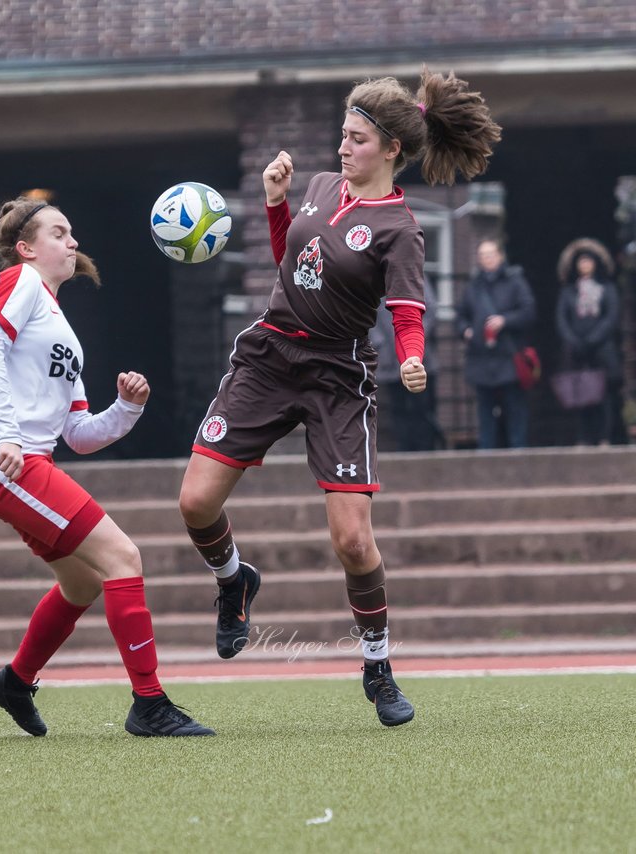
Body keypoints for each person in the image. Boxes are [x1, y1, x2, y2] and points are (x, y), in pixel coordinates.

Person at [178, 69, 501, 728]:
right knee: (194, 502)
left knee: (353, 542)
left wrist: (412, 358)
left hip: (337, 375)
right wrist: (275, 204)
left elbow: (407, 311)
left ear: (390, 150)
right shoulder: (323, 186)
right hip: (269, 357)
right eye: (342, 135)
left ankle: (378, 666)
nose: (342, 149)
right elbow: (295, 264)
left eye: (355, 140)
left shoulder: (400, 228)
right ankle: (234, 580)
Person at [0, 196, 214, 738]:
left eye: (72, 232)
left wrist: (127, 408)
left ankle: (15, 680)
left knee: (81, 584)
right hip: (0, 460)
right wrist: (7, 435)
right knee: (123, 557)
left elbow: (78, 435)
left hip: (23, 459)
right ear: (26, 248)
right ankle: (149, 704)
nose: (72, 241)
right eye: (58, 233)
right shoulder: (19, 280)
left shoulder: (63, 330)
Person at [456, 240, 536, 449]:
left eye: (490, 254)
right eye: (482, 255)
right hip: (481, 356)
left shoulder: (515, 281)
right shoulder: (474, 286)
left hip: (508, 356)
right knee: (484, 410)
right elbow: (461, 315)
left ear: (500, 256)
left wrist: (505, 320)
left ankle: (518, 451)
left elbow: (528, 312)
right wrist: (466, 330)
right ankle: (487, 452)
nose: (487, 259)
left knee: (514, 408)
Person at [555, 238, 626, 446]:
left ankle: (605, 437)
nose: (585, 265)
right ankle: (584, 437)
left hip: (601, 351)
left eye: (588, 261)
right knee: (581, 397)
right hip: (577, 352)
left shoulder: (608, 289)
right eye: (581, 262)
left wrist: (593, 339)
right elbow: (562, 319)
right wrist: (574, 340)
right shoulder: (568, 292)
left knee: (604, 397)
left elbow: (611, 317)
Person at [370, 275, 445, 451]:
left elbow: (430, 310)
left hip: (418, 358)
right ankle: (405, 449)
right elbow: (369, 317)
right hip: (390, 359)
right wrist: (381, 344)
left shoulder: (416, 277)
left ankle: (425, 450)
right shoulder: (375, 280)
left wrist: (413, 341)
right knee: (398, 409)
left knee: (422, 408)